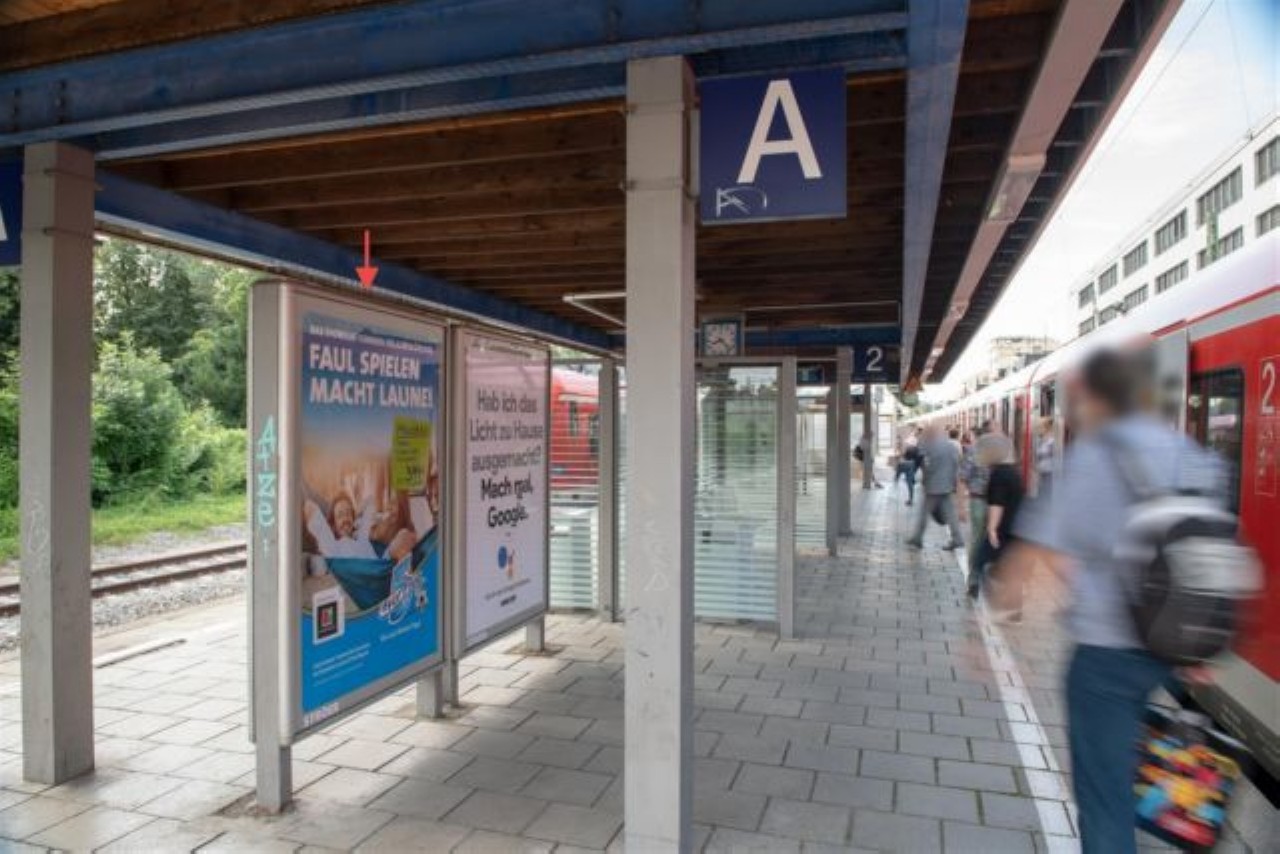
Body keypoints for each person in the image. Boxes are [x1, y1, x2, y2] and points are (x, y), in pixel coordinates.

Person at [998, 348, 1224, 854]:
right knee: (1140, 759)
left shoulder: (1096, 456)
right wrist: (1198, 647)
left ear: (1094, 397)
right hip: (1172, 648)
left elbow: (1038, 547)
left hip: (1107, 652)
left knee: (1104, 796)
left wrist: (993, 621)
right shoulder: (1194, 454)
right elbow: (1209, 551)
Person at [974, 434, 1023, 612]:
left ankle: (998, 606)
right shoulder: (1013, 471)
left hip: (1003, 529)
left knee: (981, 563)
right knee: (1011, 569)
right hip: (1016, 528)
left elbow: (997, 503)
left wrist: (991, 529)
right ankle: (1014, 609)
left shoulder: (999, 474)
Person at [906, 424, 964, 550]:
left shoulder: (930, 446)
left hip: (933, 486)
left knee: (924, 512)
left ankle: (917, 538)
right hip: (947, 485)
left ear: (930, 434)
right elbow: (957, 464)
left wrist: (925, 480)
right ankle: (957, 538)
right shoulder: (950, 446)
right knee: (950, 514)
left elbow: (927, 465)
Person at [895, 435, 920, 505]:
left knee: (899, 467)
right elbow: (918, 461)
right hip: (913, 466)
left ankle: (896, 477)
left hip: (908, 465)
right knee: (910, 484)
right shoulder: (917, 450)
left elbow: (905, 457)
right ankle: (910, 499)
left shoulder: (909, 449)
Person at [1034, 417, 1055, 498]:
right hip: (1041, 464)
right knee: (1041, 483)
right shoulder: (1041, 436)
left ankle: (1045, 497)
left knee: (1046, 483)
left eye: (1044, 425)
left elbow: (1050, 452)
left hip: (1047, 464)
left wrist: (1041, 453)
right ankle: (1042, 495)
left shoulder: (1051, 438)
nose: (1043, 427)